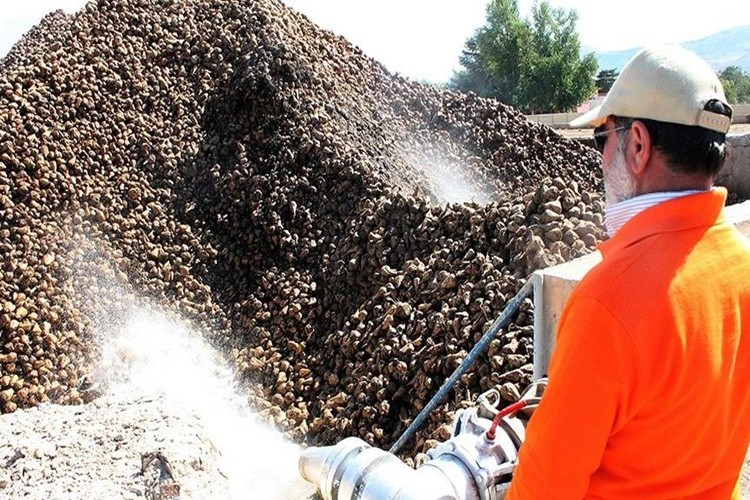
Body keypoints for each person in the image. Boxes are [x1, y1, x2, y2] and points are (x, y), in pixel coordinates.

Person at [506, 45, 750, 499]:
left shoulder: (610, 303)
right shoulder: (742, 267)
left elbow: (543, 489)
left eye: (604, 139)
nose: (600, 159)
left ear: (637, 144)